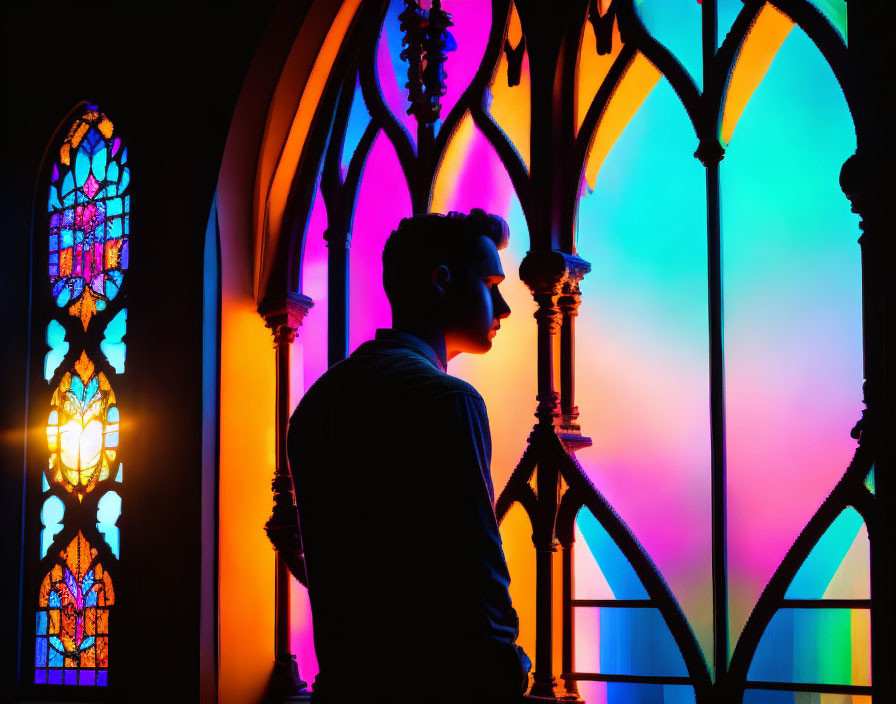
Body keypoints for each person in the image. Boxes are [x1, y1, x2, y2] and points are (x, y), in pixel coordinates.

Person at [287, 209, 530, 703]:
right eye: (489, 283)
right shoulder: (448, 400)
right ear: (441, 281)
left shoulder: (314, 406)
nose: (504, 307)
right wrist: (507, 663)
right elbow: (478, 572)